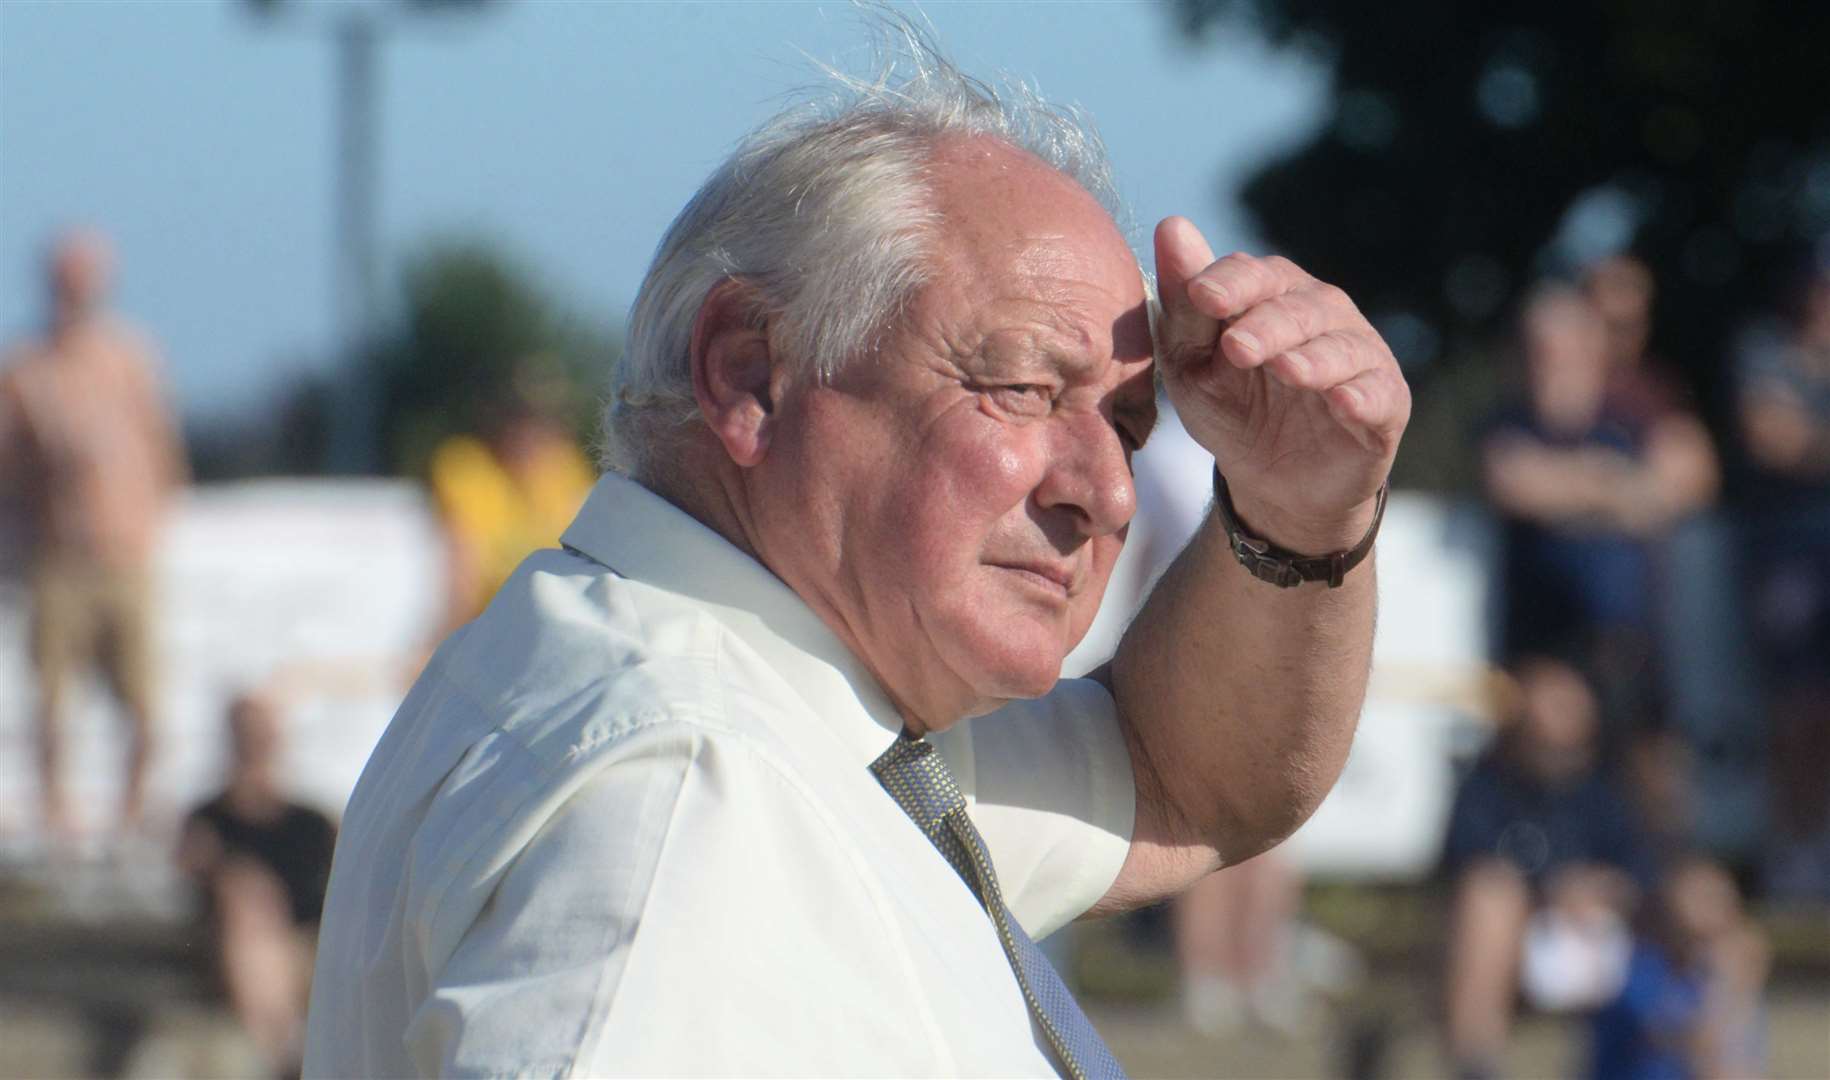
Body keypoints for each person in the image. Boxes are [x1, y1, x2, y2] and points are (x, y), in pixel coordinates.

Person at [303, 25, 1410, 1077]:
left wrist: (1300, 512)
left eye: (1127, 426)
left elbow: (1187, 774)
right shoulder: (692, 799)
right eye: (1023, 389)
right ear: (749, 374)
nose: (1109, 490)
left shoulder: (769, 700)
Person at [0, 229, 187, 839]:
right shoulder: (27, 369)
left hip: (126, 554)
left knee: (143, 704)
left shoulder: (132, 358)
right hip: (57, 558)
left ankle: (130, 815)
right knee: (51, 702)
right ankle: (58, 816)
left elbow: (161, 448)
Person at [1440, 654, 1653, 1080]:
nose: (1554, 713)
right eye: (1546, 699)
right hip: (1522, 943)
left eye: (1567, 701)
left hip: (1602, 941)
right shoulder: (1485, 788)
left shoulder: (1607, 794)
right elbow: (1462, 868)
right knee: (1490, 898)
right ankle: (1476, 1065)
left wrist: (1595, 892)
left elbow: (1643, 877)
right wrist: (1552, 892)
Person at [177, 693, 339, 1078]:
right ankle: (282, 1056)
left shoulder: (312, 821)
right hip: (242, 948)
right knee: (252, 925)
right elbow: (190, 874)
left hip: (310, 944)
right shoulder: (210, 820)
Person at [424, 359, 595, 636]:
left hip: (555, 631)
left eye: (545, 422)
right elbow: (463, 576)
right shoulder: (466, 467)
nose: (533, 435)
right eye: (523, 419)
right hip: (493, 633)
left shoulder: (567, 468)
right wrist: (447, 643)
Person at [1589, 856, 1769, 1080]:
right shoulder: (1636, 968)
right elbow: (1693, 1043)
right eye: (1703, 898)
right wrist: (1728, 985)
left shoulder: (1715, 974)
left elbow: (1739, 1068)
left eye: (1722, 900)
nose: (1715, 911)